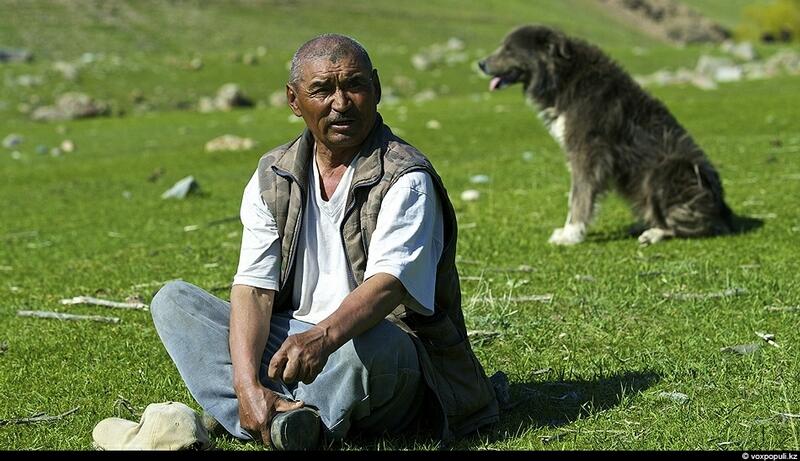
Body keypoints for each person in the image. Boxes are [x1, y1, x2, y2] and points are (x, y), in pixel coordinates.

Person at [150, 33, 499, 450]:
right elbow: (255, 289)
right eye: (322, 90)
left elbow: (390, 285)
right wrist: (245, 383)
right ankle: (266, 412)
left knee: (368, 348)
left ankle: (277, 420)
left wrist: (322, 338)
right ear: (294, 101)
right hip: (295, 340)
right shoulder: (273, 175)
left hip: (383, 347)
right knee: (174, 303)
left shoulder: (406, 178)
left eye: (354, 85)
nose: (341, 103)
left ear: (376, 90)